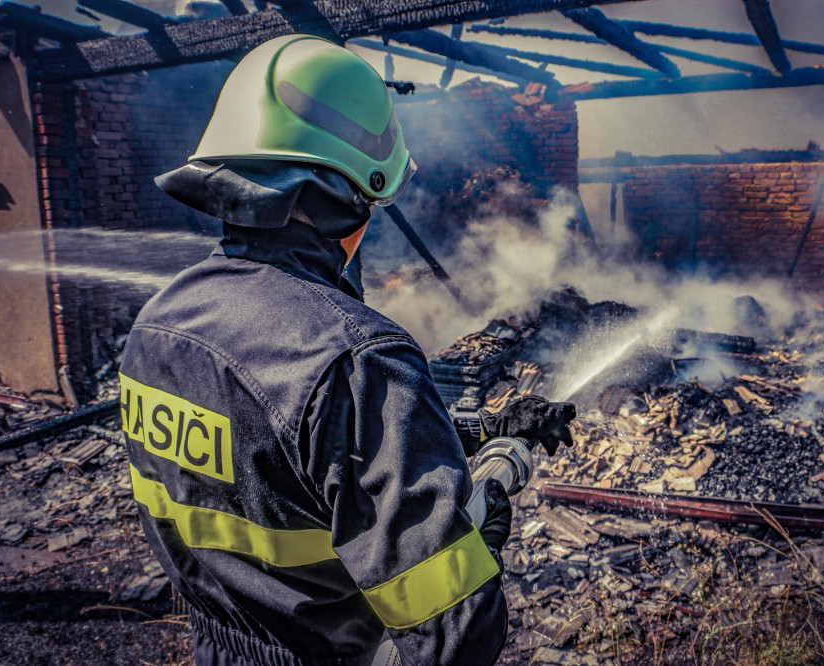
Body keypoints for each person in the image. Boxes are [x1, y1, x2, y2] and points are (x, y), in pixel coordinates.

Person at [118, 34, 576, 666]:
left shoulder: (156, 328)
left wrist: (470, 430)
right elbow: (455, 637)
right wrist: (480, 531)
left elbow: (280, 455)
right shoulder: (358, 360)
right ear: (349, 198)